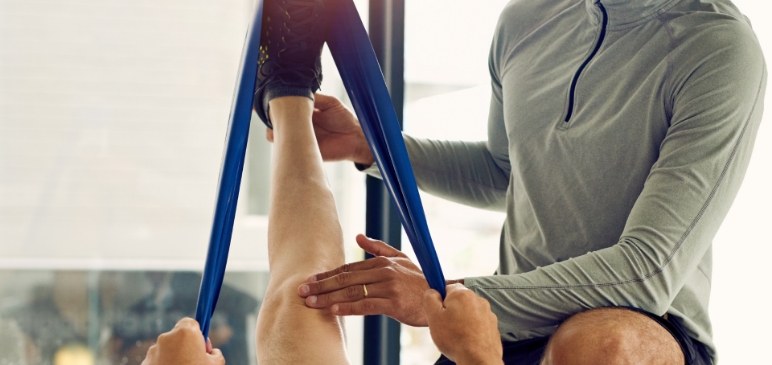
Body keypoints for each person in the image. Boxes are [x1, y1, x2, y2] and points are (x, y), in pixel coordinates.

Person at [275, 0, 766, 364]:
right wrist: (371, 146)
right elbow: (505, 174)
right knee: (303, 313)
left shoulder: (717, 48)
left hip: (641, 325)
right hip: (513, 321)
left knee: (599, 346)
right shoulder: (525, 20)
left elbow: (646, 274)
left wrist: (439, 295)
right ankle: (284, 89)